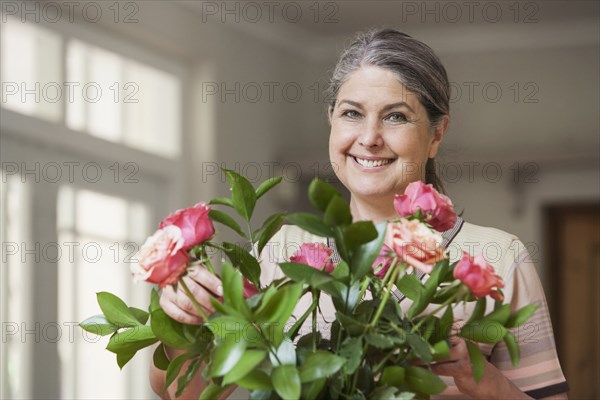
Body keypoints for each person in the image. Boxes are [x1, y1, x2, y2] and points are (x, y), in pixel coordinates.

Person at [150, 29, 569, 399]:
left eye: (396, 117)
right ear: (331, 121)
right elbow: (185, 393)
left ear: (436, 135)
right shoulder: (283, 249)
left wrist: (486, 383)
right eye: (351, 113)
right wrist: (182, 327)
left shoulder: (498, 257)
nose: (369, 138)